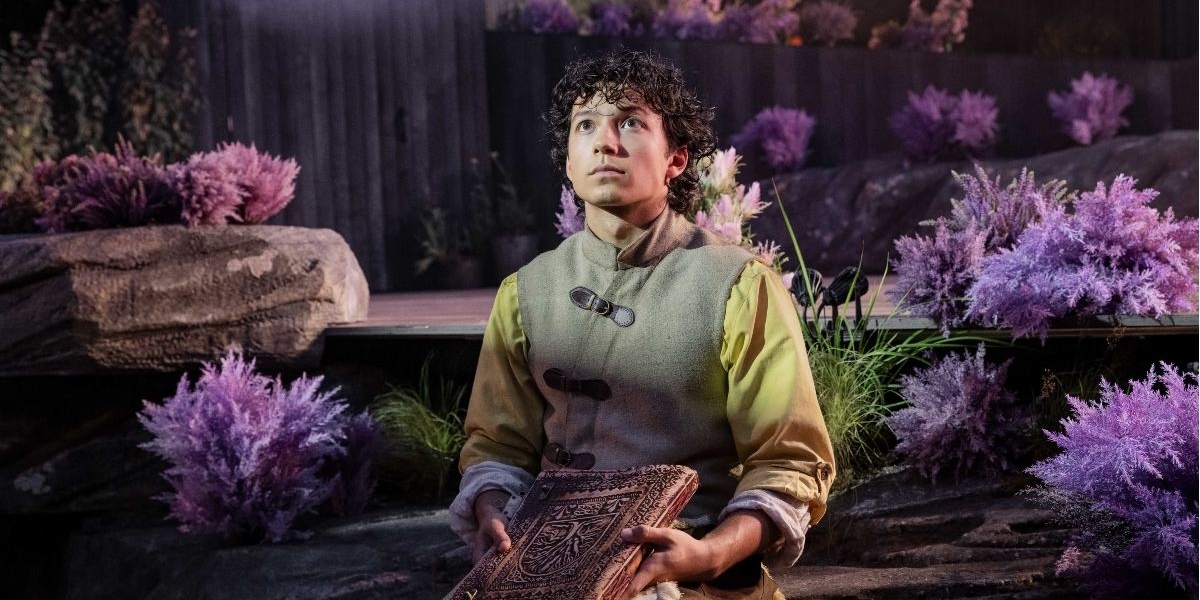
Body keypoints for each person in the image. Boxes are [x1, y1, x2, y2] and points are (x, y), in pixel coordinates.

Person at [448, 49, 835, 599]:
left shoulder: (739, 285)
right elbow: (496, 446)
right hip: (549, 573)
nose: (605, 142)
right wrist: (493, 511)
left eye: (630, 122)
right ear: (568, 163)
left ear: (676, 159)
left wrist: (710, 554)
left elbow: (790, 461)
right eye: (586, 125)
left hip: (693, 575)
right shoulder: (526, 291)